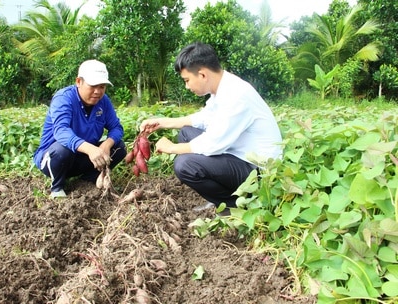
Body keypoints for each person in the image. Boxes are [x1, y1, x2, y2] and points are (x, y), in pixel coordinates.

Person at [140, 42, 283, 214]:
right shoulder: (223, 88)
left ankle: (232, 206)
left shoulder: (236, 95)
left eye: (187, 80)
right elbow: (203, 118)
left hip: (258, 171)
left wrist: (172, 148)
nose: (187, 86)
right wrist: (162, 122)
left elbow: (213, 143)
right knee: (186, 133)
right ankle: (220, 198)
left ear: (202, 74)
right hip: (239, 154)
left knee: (184, 164)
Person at [33, 59, 126, 198]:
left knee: (119, 147)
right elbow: (61, 131)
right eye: (93, 86)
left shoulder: (103, 101)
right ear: (78, 82)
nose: (97, 91)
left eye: (102, 87)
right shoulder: (64, 98)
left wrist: (107, 144)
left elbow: (116, 128)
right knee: (62, 150)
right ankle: (57, 187)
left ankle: (87, 179)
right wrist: (90, 149)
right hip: (55, 159)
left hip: (83, 158)